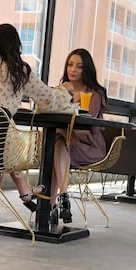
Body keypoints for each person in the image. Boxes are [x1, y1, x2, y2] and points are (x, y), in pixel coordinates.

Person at [0, 24, 76, 240]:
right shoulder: (19, 71)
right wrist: (65, 90)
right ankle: (26, 192)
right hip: (3, 146)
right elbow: (49, 100)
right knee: (10, 144)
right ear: (15, 46)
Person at [49, 48, 108, 225]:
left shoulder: (94, 94)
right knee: (57, 147)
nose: (72, 69)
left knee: (56, 151)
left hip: (88, 145)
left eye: (79, 66)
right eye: (70, 64)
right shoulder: (62, 90)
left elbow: (85, 125)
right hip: (65, 143)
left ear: (86, 69)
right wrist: (59, 92)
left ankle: (51, 206)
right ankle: (62, 198)